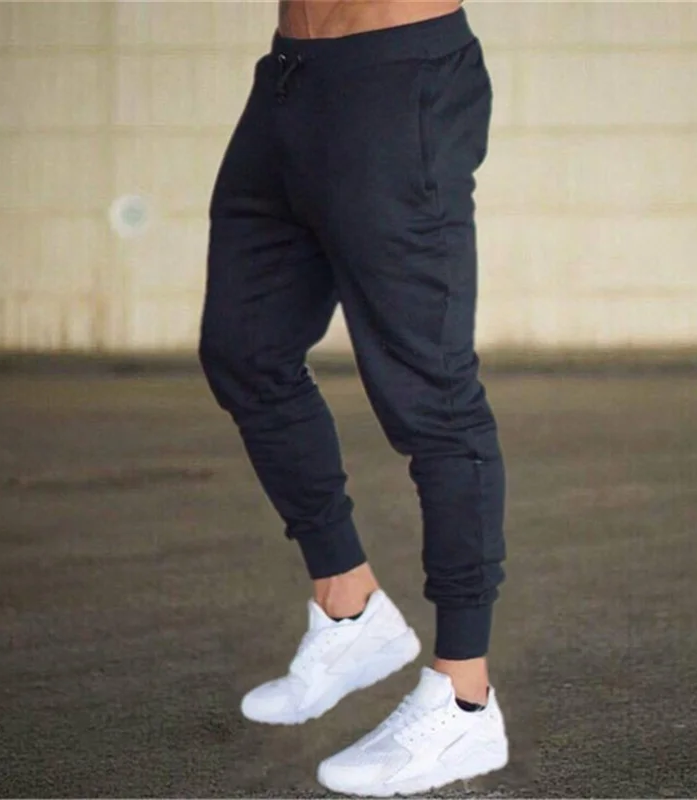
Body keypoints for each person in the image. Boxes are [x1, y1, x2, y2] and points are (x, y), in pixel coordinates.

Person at [199, 0, 508, 794]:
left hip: (397, 77)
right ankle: (350, 607)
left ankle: (465, 698)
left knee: (431, 396)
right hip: (289, 83)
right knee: (245, 349)